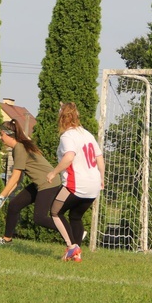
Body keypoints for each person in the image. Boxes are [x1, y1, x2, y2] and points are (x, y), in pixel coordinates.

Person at [46, 102, 105, 262]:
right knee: (76, 217)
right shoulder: (87, 134)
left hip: (77, 184)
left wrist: (54, 172)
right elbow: (99, 158)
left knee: (55, 212)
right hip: (93, 186)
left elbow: (69, 157)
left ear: (61, 118)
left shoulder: (67, 136)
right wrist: (102, 178)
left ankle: (72, 247)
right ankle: (77, 253)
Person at [0, 119, 62, 244]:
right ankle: (7, 239)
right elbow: (19, 180)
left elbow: (15, 177)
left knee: (40, 218)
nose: (0, 138)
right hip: (40, 183)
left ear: (9, 134)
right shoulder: (17, 148)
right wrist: (4, 198)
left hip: (49, 183)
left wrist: (0, 196)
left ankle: (74, 231)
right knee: (14, 205)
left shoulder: (20, 148)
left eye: (2, 135)